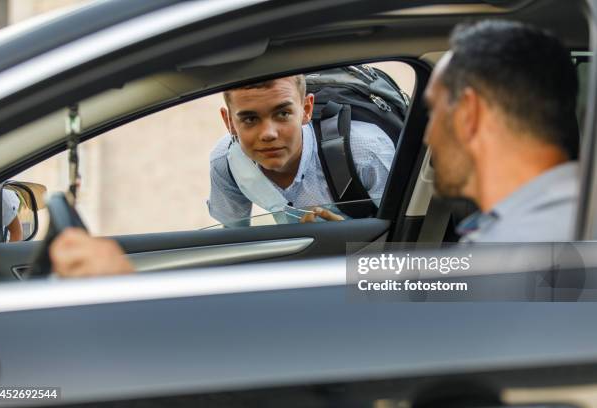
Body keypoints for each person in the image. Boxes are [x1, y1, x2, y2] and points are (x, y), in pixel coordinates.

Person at [49, 19, 580, 277]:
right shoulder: (521, 228)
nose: (424, 135)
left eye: (433, 111)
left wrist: (132, 294)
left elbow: (427, 310)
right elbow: (420, 297)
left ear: (471, 118)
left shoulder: (543, 242)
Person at [423, 20, 579, 242]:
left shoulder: (512, 246)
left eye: (432, 111)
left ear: (469, 113)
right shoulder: (578, 212)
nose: (428, 137)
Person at [208, 74, 396, 225]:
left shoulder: (366, 153)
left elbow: (409, 242)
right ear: (229, 122)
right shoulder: (227, 162)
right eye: (250, 119)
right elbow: (234, 237)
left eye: (283, 114)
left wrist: (345, 243)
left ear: (306, 109)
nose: (268, 134)